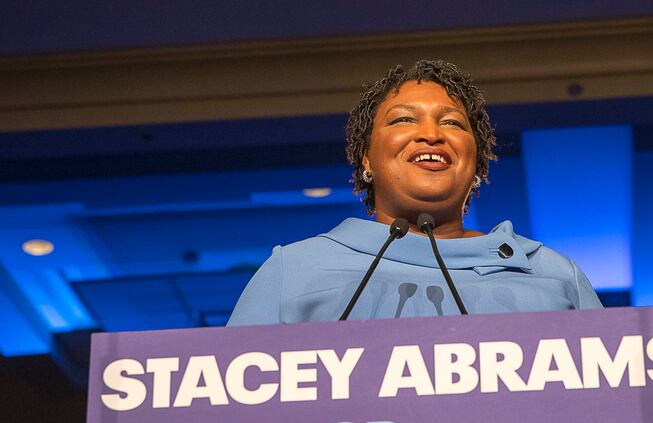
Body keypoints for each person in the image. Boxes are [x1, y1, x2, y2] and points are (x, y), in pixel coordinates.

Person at [228, 60, 602, 326]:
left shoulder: (554, 273)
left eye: (452, 122)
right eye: (404, 119)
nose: (431, 134)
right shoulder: (292, 270)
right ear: (366, 161)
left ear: (477, 163)